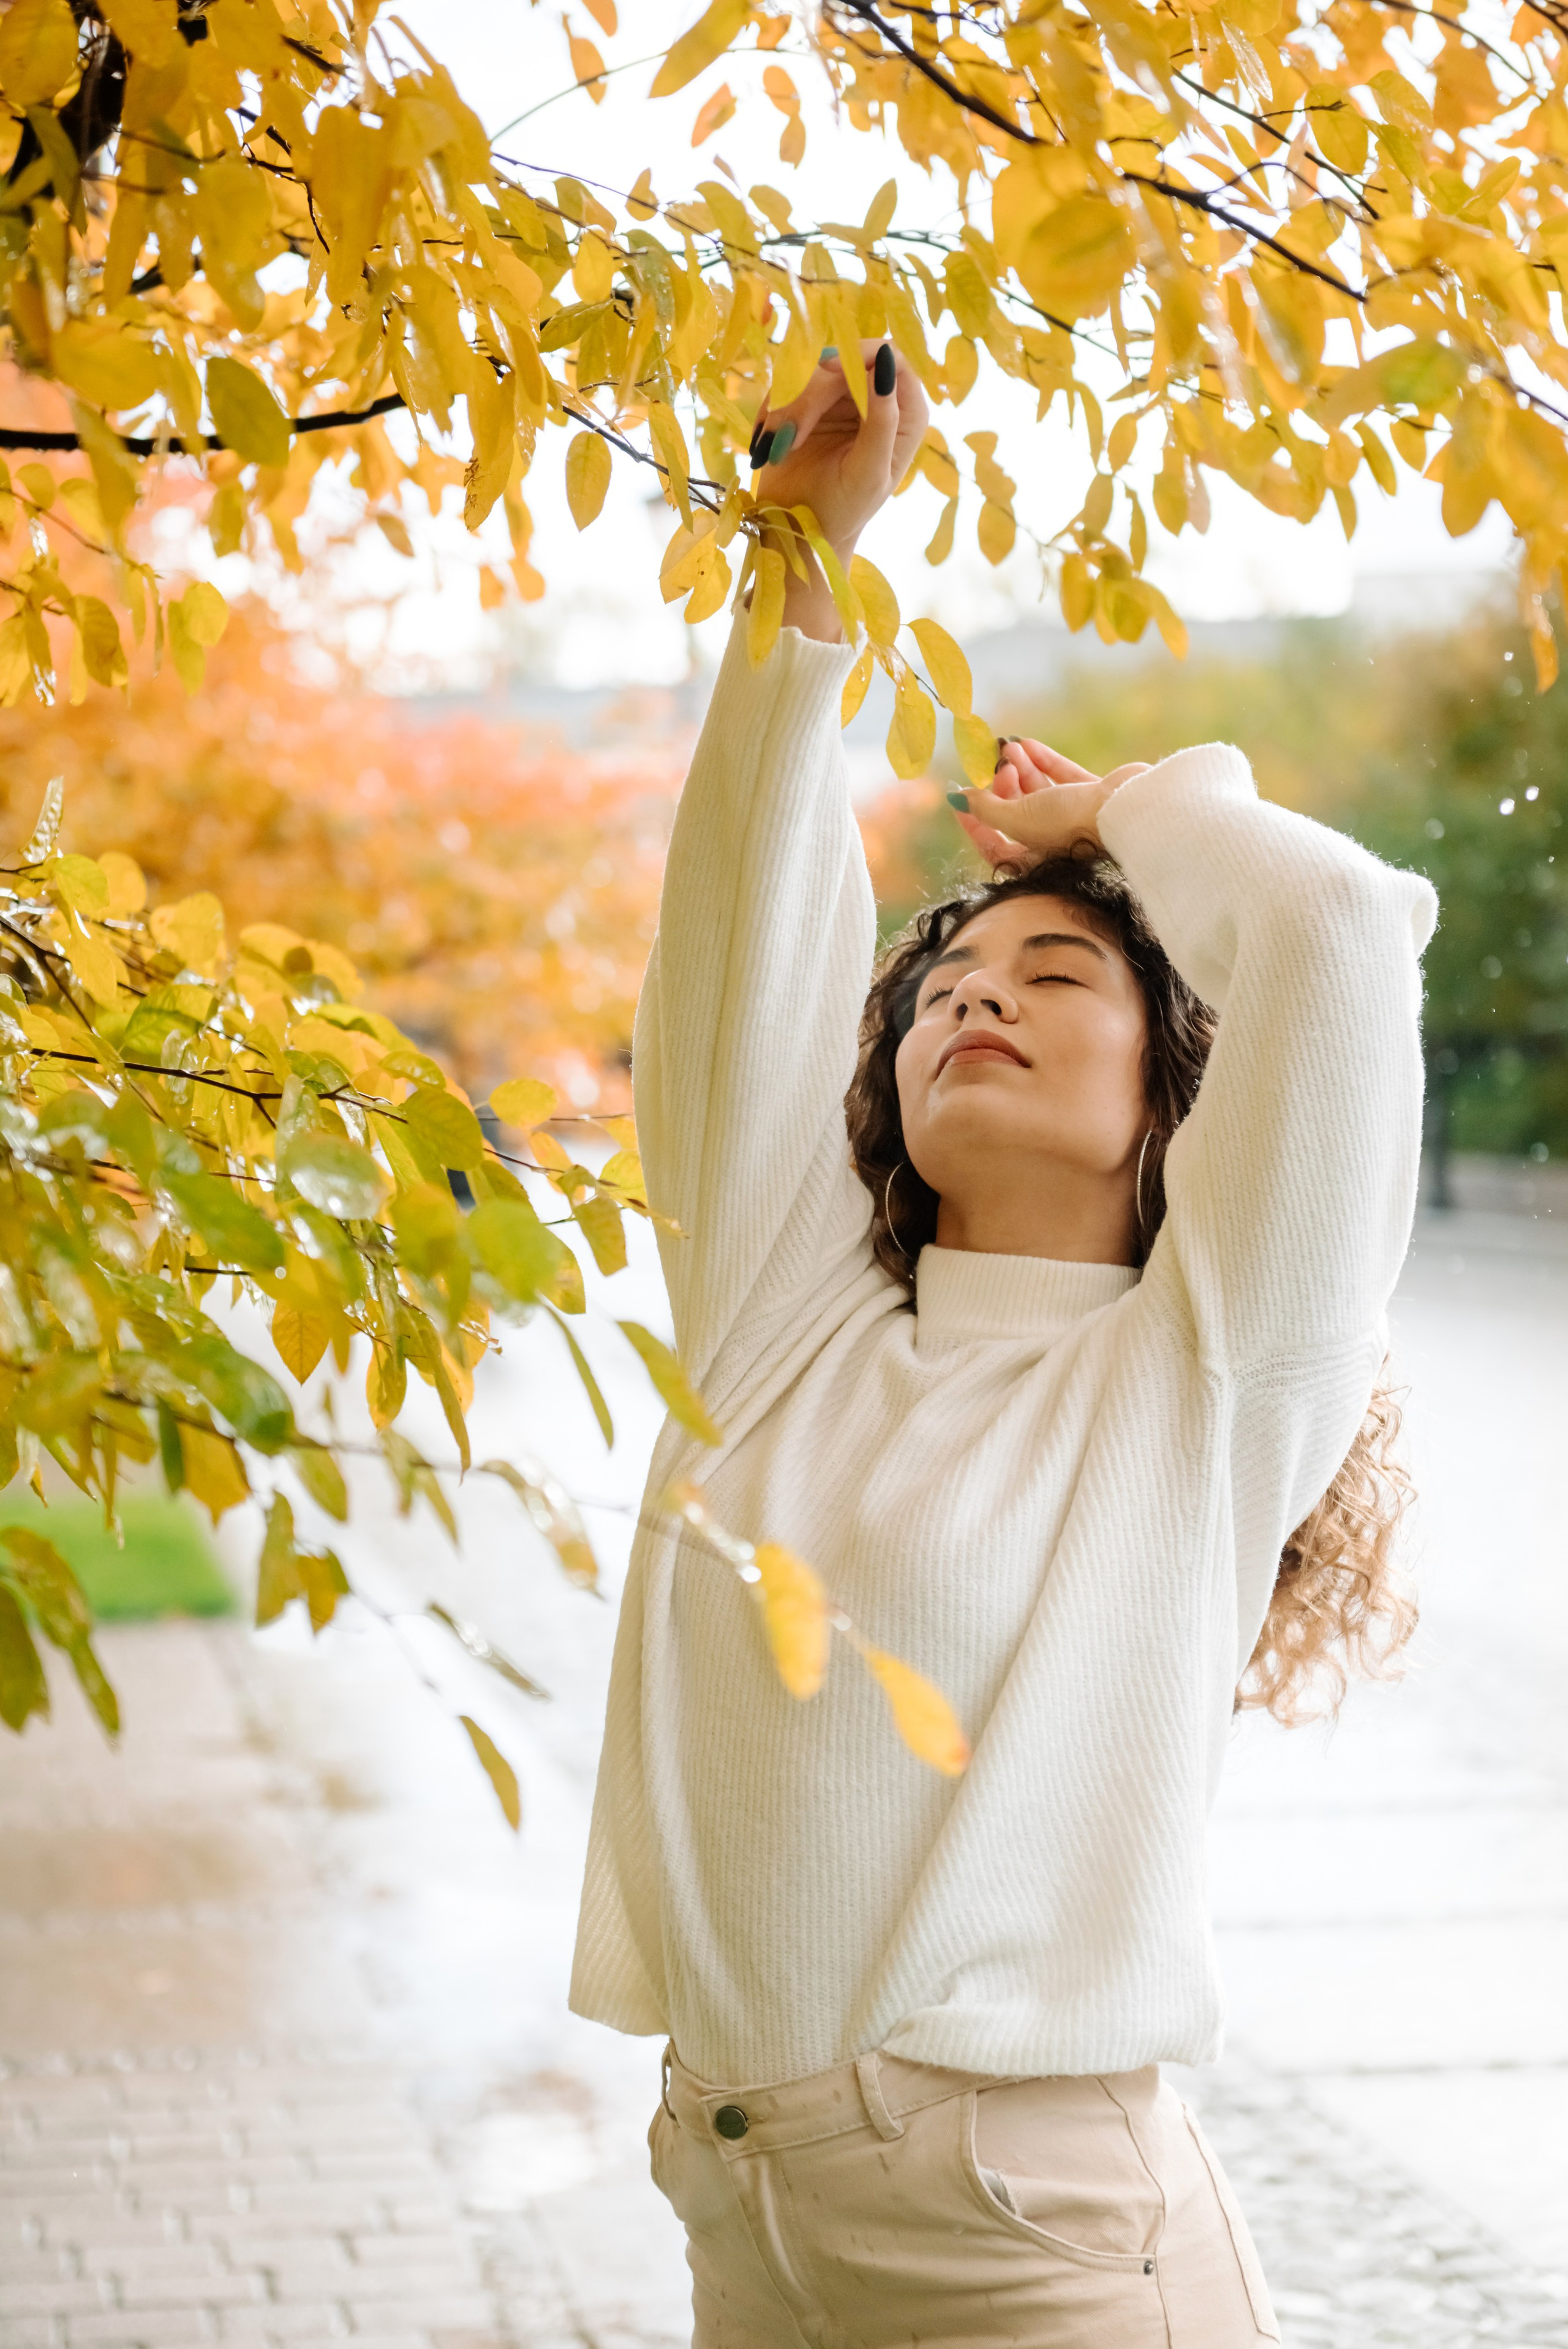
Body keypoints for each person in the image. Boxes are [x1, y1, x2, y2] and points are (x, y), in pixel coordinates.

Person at [571, 342, 1434, 2347]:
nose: (976, 992)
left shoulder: (1200, 1381)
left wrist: (1122, 822)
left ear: (1175, 1095)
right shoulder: (790, 1323)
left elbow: (1326, 937)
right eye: (944, 976)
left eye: (1056, 967)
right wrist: (805, 567)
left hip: (1028, 2250)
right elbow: (737, 944)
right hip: (741, 2208)